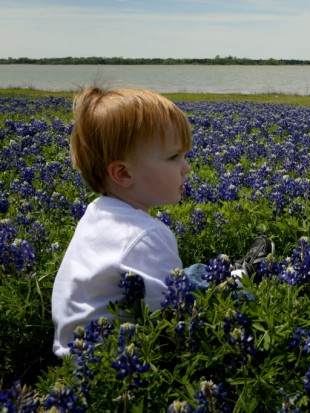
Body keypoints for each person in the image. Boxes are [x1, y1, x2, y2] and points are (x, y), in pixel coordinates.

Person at [52, 87, 273, 357]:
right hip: (123, 362)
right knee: (216, 295)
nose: (186, 167)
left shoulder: (94, 214)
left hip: (74, 356)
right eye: (173, 157)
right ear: (122, 173)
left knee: (191, 273)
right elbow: (173, 313)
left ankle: (224, 274)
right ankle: (239, 279)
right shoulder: (146, 236)